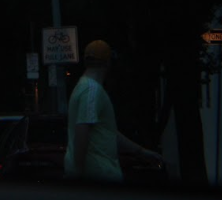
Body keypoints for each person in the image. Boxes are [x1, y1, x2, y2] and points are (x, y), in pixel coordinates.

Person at [64, 39, 163, 183]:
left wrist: (141, 152)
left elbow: (108, 133)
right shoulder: (92, 91)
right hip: (98, 175)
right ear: (107, 62)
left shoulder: (82, 87)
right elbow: (82, 131)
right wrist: (79, 178)